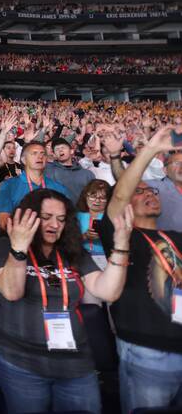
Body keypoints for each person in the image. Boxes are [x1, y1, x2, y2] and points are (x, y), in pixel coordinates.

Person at [0, 189, 134, 414]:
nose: (55, 225)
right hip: (22, 362)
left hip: (75, 362)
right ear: (30, 217)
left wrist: (121, 246)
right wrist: (18, 248)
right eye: (46, 217)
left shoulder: (73, 252)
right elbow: (11, 292)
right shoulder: (5, 246)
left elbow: (109, 292)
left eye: (61, 219)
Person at [96, 125, 182, 413]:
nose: (149, 194)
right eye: (139, 191)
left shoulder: (175, 236)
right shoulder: (120, 234)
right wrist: (148, 151)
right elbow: (120, 195)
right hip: (147, 350)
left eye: (151, 190)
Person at [0, 141, 70, 231]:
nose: (40, 157)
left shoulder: (59, 188)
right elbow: (3, 222)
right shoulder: (9, 186)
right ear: (23, 160)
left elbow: (68, 220)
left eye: (43, 154)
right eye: (34, 153)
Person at [45, 138, 95, 205]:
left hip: (82, 213)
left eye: (63, 147)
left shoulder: (87, 174)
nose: (60, 150)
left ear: (71, 151)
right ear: (54, 155)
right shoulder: (47, 171)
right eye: (57, 149)